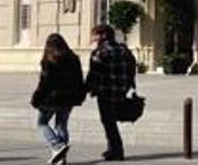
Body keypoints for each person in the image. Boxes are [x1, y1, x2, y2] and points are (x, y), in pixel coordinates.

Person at [30, 33, 85, 164]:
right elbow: (79, 79)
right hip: (69, 97)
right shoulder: (74, 58)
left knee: (41, 123)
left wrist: (36, 98)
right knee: (61, 125)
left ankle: (57, 145)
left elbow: (44, 83)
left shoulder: (50, 60)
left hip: (53, 98)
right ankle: (61, 158)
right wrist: (80, 95)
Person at [85, 24, 137, 161]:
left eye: (95, 34)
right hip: (121, 90)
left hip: (105, 92)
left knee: (108, 121)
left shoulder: (99, 53)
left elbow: (93, 74)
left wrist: (85, 89)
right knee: (111, 120)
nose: (93, 38)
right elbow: (132, 68)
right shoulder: (124, 50)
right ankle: (111, 149)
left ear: (103, 35)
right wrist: (128, 85)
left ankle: (117, 150)